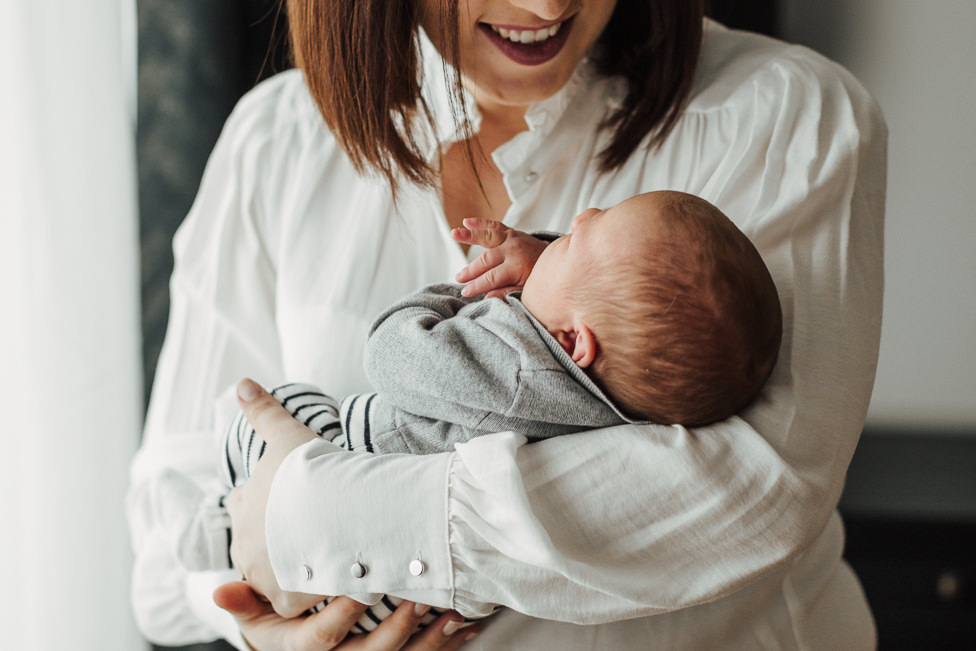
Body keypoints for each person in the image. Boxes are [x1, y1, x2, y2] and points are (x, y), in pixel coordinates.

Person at [127, 1, 887, 649]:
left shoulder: (789, 116)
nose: (550, 4)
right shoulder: (275, 143)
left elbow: (747, 492)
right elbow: (163, 567)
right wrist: (264, 622)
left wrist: (311, 515)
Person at [165, 191, 782, 612]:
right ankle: (220, 530)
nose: (582, 212)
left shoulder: (515, 367)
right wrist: (549, 275)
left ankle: (217, 527)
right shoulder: (609, 404)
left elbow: (390, 355)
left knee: (283, 404)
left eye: (568, 242)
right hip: (393, 588)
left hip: (349, 458)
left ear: (572, 341)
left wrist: (461, 294)